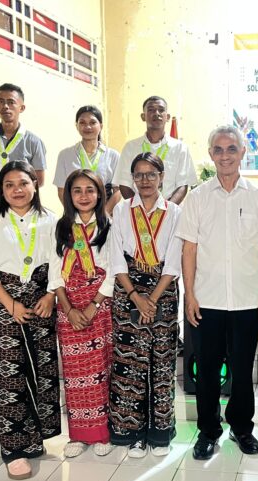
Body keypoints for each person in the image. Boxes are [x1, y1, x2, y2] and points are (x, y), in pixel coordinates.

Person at [177, 125, 258, 460]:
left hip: (248, 299)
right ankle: (208, 431)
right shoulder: (198, 197)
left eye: (231, 149)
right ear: (211, 154)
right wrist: (189, 295)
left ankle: (242, 428)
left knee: (243, 369)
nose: (225, 156)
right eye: (218, 150)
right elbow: (188, 250)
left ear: (243, 152)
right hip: (208, 300)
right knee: (206, 370)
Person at [0, 161, 62, 479]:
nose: (17, 190)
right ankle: (13, 448)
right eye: (9, 185)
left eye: (23, 183)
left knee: (42, 371)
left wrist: (51, 295)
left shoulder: (50, 219)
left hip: (41, 302)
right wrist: (10, 304)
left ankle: (35, 438)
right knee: (10, 376)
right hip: (5, 303)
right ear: (1, 189)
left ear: (35, 184)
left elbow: (58, 262)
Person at [108, 153, 183, 457]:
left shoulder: (176, 212)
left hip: (163, 291)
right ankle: (133, 432)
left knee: (162, 362)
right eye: (138, 175)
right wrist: (137, 297)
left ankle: (160, 432)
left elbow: (175, 258)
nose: (145, 181)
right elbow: (116, 257)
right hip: (128, 291)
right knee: (130, 363)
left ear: (162, 176)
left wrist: (151, 299)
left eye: (151, 174)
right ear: (132, 179)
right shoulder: (122, 210)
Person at [53, 170, 115, 458]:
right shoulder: (61, 228)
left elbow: (114, 270)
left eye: (90, 190)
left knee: (100, 370)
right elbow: (55, 272)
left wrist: (93, 305)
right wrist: (68, 308)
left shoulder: (109, 226)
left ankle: (101, 433)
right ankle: (78, 434)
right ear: (69, 195)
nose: (83, 196)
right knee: (75, 374)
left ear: (100, 193)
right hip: (69, 311)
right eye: (77, 190)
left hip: (99, 307)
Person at [111, 96, 197, 204]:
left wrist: (166, 210)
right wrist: (140, 209)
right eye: (151, 110)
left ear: (167, 117)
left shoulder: (180, 148)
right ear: (143, 116)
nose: (156, 113)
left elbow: (182, 185)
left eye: (161, 110)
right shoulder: (130, 147)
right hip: (138, 216)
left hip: (171, 214)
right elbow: (124, 184)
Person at [0, 83, 47, 209]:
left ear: (22, 107)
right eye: (1, 102)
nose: (5, 106)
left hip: (22, 204)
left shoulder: (34, 142)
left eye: (11, 102)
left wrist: (17, 194)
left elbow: (39, 181)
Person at [53, 105, 121, 214]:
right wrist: (74, 215)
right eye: (82, 123)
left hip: (105, 215)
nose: (87, 127)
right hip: (75, 216)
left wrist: (104, 214)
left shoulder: (113, 155)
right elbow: (61, 190)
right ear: (77, 126)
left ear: (101, 126)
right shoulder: (65, 155)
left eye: (93, 123)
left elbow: (118, 191)